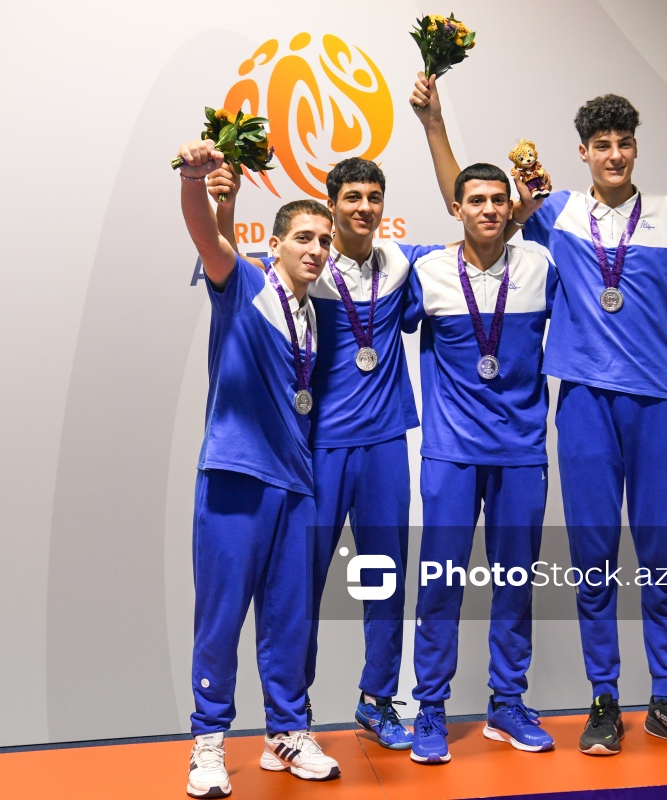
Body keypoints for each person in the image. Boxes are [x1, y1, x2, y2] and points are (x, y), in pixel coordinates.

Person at [411, 80, 667, 756]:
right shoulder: (558, 213)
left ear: (635, 149)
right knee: (593, 561)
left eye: (624, 143)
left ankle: (665, 698)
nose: (615, 154)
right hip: (585, 407)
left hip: (655, 406)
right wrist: (434, 125)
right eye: (602, 144)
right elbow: (471, 197)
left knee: (659, 560)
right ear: (584, 152)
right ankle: (604, 699)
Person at [208, 159, 444, 750]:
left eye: (374, 197)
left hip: (385, 441)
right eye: (352, 197)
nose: (364, 207)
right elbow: (227, 261)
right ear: (332, 203)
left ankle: (378, 698)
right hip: (317, 447)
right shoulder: (303, 266)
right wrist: (222, 203)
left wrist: (516, 212)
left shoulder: (401, 262)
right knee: (300, 585)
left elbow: (473, 244)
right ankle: (294, 712)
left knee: (383, 577)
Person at [176, 137, 341, 798]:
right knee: (221, 616)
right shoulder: (244, 284)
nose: (316, 249)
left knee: (288, 621)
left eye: (324, 240)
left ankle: (287, 733)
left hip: (295, 485)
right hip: (236, 478)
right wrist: (194, 182)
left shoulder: (313, 314)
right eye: (304, 237)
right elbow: (206, 238)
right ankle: (209, 742)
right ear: (274, 245)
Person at [403, 162, 557, 764]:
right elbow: (363, 287)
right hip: (451, 453)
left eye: (498, 199)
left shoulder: (541, 264)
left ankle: (507, 703)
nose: (488, 209)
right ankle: (430, 708)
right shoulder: (428, 270)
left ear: (510, 207)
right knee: (440, 583)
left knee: (515, 582)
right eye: (476, 200)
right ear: (457, 208)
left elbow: (599, 316)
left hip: (520, 451)